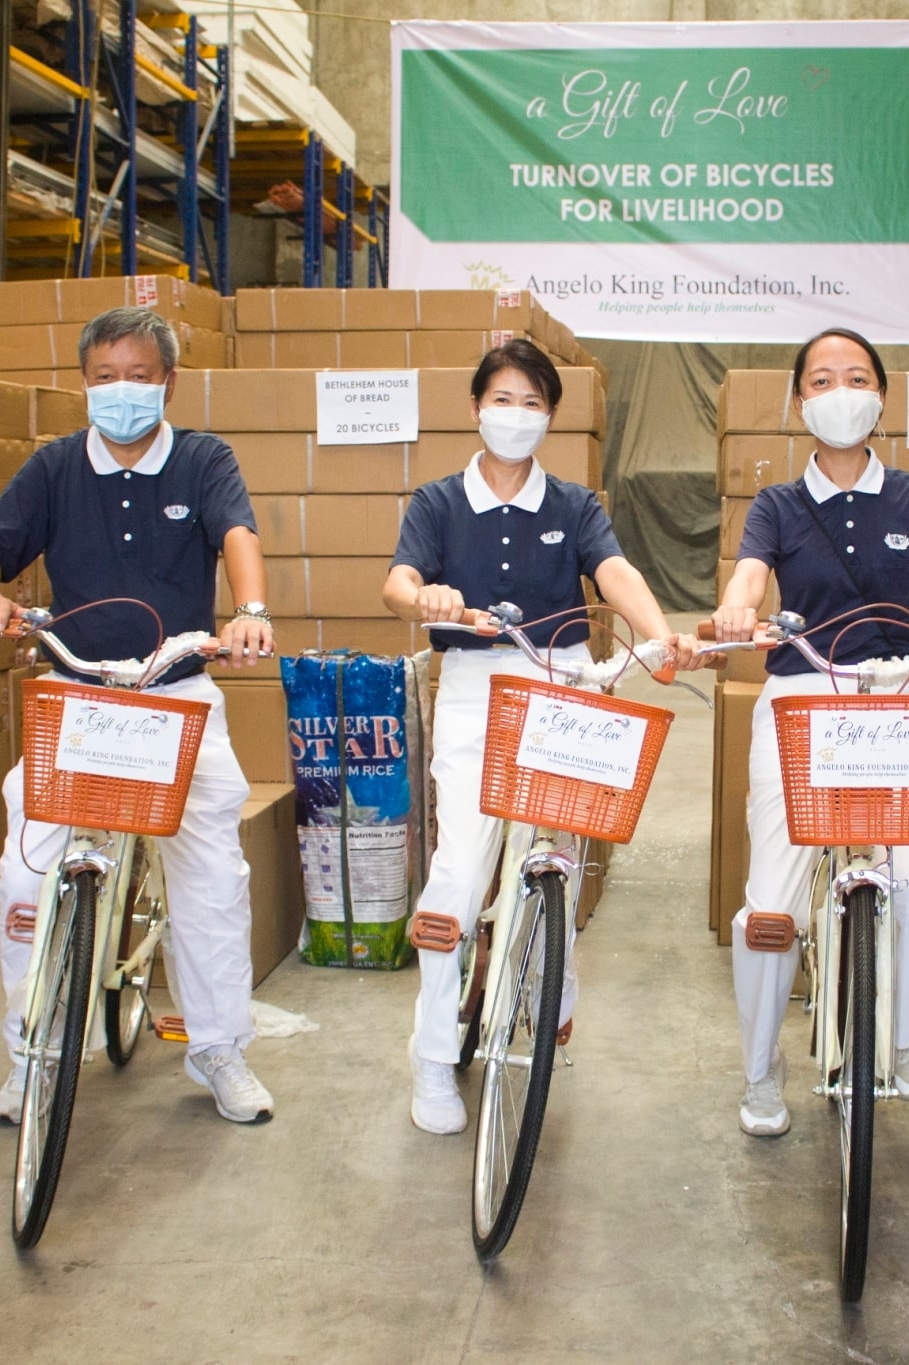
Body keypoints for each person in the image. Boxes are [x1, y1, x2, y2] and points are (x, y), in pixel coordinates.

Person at [0, 305, 278, 1126]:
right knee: (27, 869)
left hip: (177, 693)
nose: (121, 392)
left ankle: (216, 1049)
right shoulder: (56, 466)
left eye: (139, 376)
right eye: (104, 378)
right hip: (82, 697)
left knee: (211, 875)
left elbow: (236, 530)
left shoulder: (204, 458)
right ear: (84, 384)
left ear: (168, 381)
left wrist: (250, 608)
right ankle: (32, 1051)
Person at [710, 328, 909, 1137]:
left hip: (893, 691)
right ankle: (761, 1068)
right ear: (801, 400)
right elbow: (748, 573)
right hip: (802, 693)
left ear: (882, 395)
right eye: (821, 378)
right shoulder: (776, 503)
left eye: (855, 376)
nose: (839, 390)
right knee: (770, 905)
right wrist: (741, 605)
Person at [383, 338, 693, 1136]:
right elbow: (399, 580)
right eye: (501, 399)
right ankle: (431, 1054)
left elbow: (614, 571)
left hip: (561, 680)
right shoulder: (438, 502)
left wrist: (656, 636)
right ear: (476, 406)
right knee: (460, 867)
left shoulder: (573, 505)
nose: (514, 415)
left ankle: (548, 989)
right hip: (478, 685)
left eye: (531, 402)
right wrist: (427, 598)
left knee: (554, 848)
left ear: (550, 415)